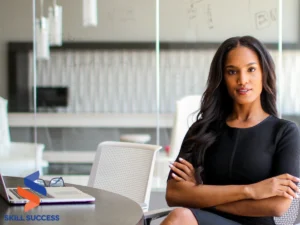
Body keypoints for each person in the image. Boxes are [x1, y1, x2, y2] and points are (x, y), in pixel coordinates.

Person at [161, 36, 300, 225]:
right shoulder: (203, 129)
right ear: (222, 78)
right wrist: (251, 191)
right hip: (207, 221)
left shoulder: (285, 132)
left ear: (264, 73)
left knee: (181, 217)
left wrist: (201, 195)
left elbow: (277, 205)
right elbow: (174, 194)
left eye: (251, 69)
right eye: (232, 71)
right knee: (180, 217)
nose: (242, 80)